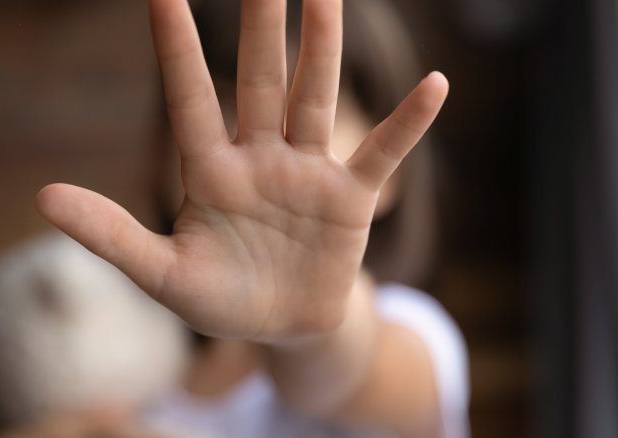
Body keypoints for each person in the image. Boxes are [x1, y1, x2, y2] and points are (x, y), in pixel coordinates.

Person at [33, 0, 468, 436]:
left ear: (394, 175)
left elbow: (349, 374)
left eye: (306, 106)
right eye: (223, 98)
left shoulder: (414, 330)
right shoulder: (140, 370)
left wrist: (306, 331)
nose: (256, 142)